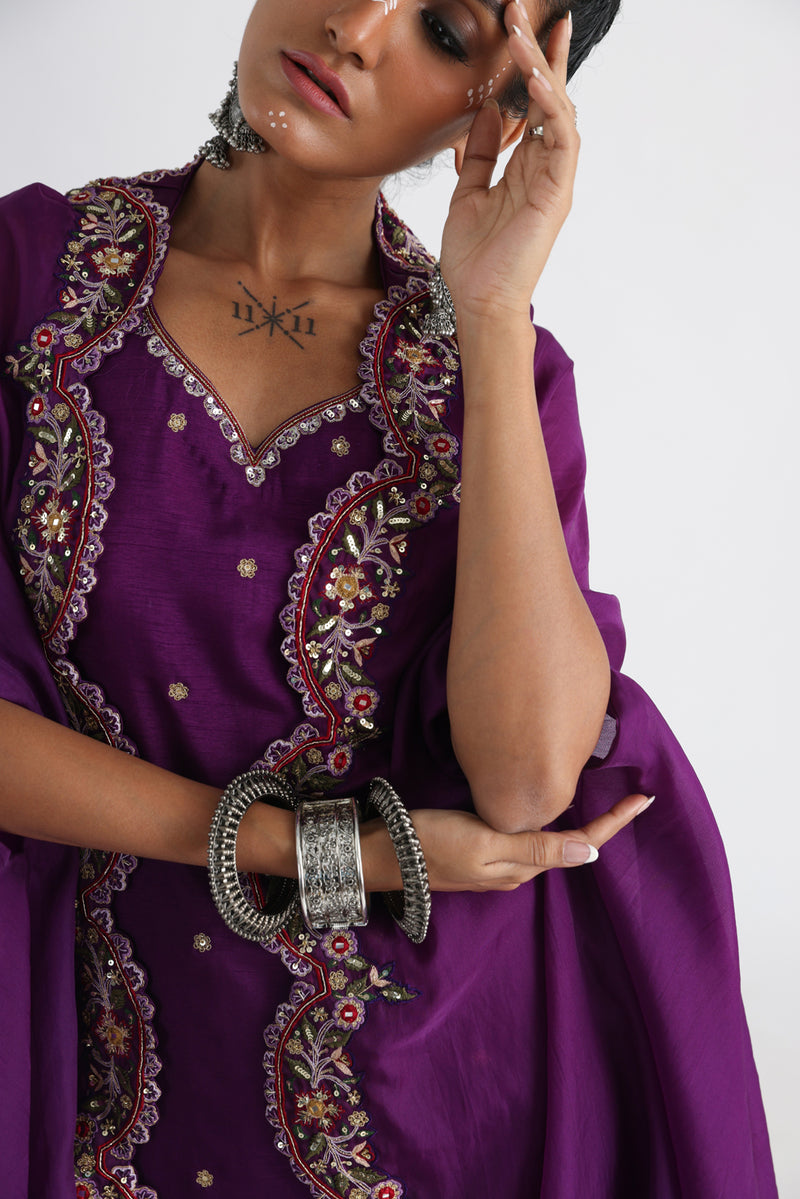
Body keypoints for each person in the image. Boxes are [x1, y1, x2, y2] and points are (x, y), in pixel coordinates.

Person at [0, 0, 777, 1195]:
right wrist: (314, 849)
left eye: (445, 31)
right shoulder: (31, 282)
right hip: (75, 1090)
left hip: (405, 1113)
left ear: (501, 104)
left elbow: (527, 778)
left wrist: (490, 314)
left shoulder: (491, 379)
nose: (355, 27)